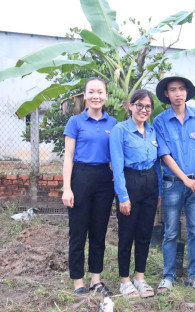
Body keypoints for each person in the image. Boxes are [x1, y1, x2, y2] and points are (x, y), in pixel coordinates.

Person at [153, 74, 195, 293]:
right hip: (172, 185)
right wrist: (184, 179)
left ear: (187, 92)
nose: (178, 93)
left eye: (181, 89)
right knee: (170, 231)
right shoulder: (160, 121)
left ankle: (194, 275)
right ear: (167, 94)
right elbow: (164, 154)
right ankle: (168, 276)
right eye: (173, 90)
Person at [62, 77, 117, 296]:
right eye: (91, 92)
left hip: (105, 179)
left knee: (99, 232)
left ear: (106, 96)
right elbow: (68, 156)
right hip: (81, 177)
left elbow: (118, 155)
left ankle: (96, 280)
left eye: (100, 92)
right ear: (85, 96)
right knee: (78, 232)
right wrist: (67, 188)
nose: (96, 96)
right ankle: (78, 282)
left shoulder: (113, 124)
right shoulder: (75, 122)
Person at [110, 89, 161, 298]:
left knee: (144, 234)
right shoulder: (119, 130)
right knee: (127, 234)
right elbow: (117, 165)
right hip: (130, 182)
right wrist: (123, 197)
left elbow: (157, 163)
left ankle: (140, 278)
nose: (143, 109)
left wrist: (157, 193)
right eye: (139, 105)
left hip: (150, 183)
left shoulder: (152, 131)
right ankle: (124, 281)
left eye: (148, 106)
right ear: (130, 106)